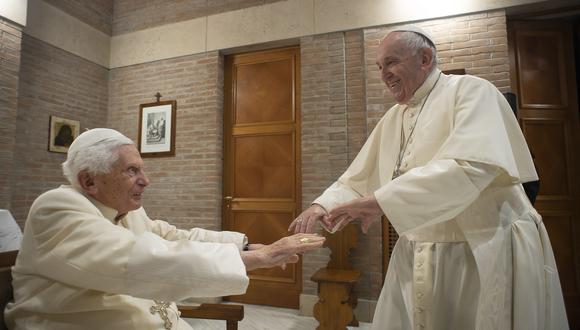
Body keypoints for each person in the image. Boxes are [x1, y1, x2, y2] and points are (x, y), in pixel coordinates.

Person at [289, 26, 568, 329]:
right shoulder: (393, 117)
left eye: (392, 62)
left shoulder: (471, 91)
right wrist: (322, 206)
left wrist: (381, 202)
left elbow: (470, 167)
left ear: (425, 58)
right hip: (421, 250)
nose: (385, 75)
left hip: (482, 246)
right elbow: (359, 178)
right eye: (380, 67)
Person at [5, 128, 324, 330]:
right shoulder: (56, 208)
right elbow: (141, 258)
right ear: (89, 180)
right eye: (132, 170)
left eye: (142, 169)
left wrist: (248, 245)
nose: (146, 180)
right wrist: (259, 259)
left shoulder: (123, 209)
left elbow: (172, 236)